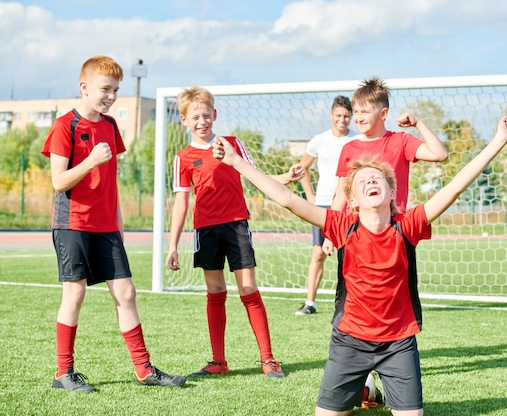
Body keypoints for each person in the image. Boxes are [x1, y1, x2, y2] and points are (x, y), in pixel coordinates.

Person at [211, 114, 507, 415]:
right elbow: (288, 199)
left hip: (398, 343)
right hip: (349, 341)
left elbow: (454, 187)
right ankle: (366, 390)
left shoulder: (408, 224)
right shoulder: (343, 225)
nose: (371, 180)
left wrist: (499, 140)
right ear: (354, 200)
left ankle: (370, 388)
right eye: (363, 180)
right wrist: (237, 163)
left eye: (378, 179)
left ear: (391, 194)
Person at [41, 55, 186, 393]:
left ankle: (144, 369)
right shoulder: (65, 126)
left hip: (107, 227)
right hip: (72, 223)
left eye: (116, 90)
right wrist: (91, 160)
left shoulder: (110, 126)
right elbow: (59, 182)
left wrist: (118, 222)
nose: (110, 96)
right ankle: (63, 372)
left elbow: (112, 181)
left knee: (126, 292)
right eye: (105, 89)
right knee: (75, 294)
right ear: (84, 86)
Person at [166, 86, 304, 379]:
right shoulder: (184, 157)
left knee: (248, 290)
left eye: (206, 115)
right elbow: (181, 202)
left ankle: (268, 359)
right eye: (195, 117)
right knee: (215, 291)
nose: (202, 121)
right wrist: (173, 244)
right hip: (205, 229)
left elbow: (257, 178)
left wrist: (287, 178)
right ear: (184, 120)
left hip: (236, 225)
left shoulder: (232, 144)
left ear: (214, 115)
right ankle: (218, 361)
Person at [323, 77, 448, 256]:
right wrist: (330, 234)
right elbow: (342, 193)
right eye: (356, 112)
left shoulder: (400, 141)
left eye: (365, 112)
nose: (358, 118)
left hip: (393, 229)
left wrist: (418, 124)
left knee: (397, 282)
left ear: (383, 113)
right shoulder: (349, 149)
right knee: (354, 284)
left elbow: (440, 154)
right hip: (357, 231)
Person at [295, 95, 360, 316]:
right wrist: (310, 195)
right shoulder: (319, 141)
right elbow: (301, 168)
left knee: (351, 254)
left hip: (350, 206)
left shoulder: (357, 139)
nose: (342, 120)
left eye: (346, 116)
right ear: (331, 115)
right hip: (323, 205)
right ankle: (310, 303)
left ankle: (354, 303)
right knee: (318, 253)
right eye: (339, 115)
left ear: (351, 117)